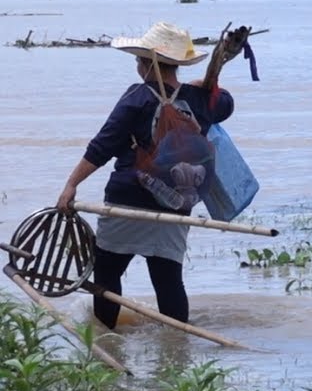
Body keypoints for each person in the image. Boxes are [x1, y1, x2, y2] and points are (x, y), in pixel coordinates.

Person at [56, 21, 234, 329]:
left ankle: (105, 339)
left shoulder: (137, 98)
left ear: (146, 64)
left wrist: (71, 184)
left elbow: (102, 146)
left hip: (127, 201)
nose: (137, 66)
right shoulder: (201, 100)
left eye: (139, 60)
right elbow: (226, 104)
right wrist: (201, 86)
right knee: (168, 280)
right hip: (177, 202)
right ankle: (177, 343)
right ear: (176, 65)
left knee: (107, 275)